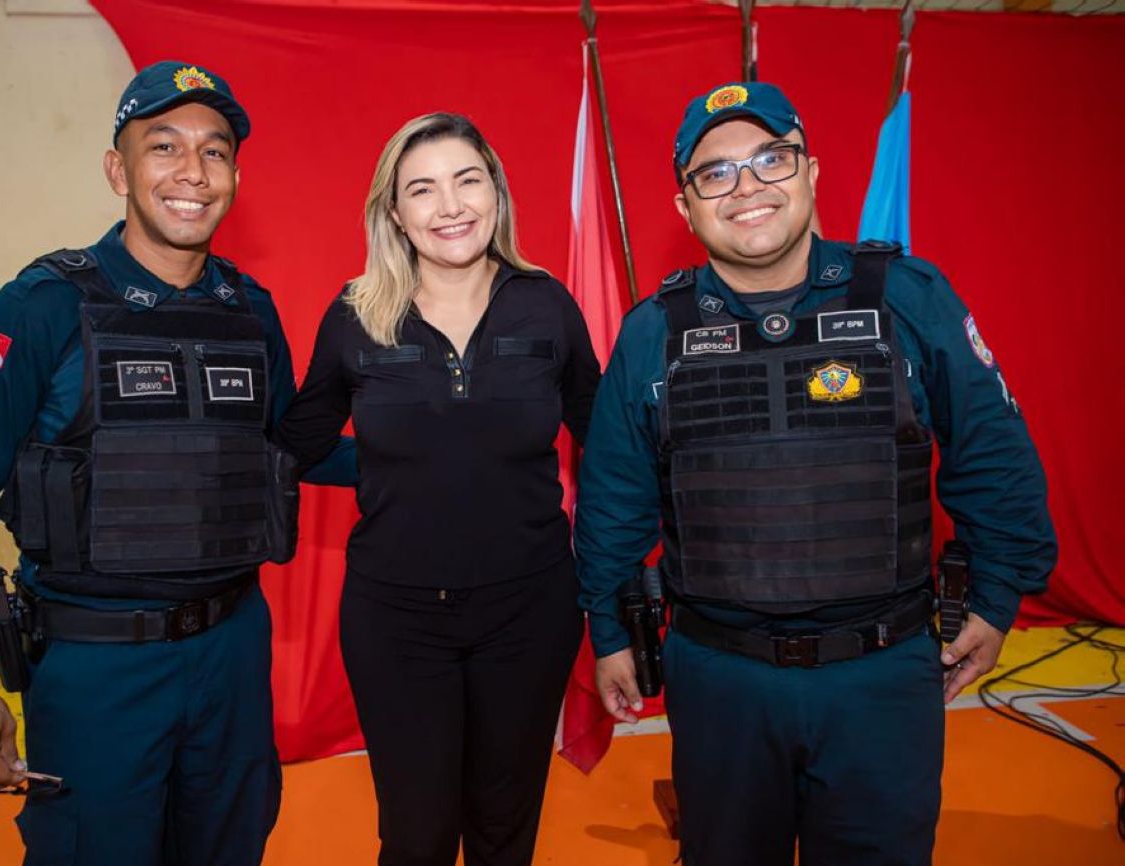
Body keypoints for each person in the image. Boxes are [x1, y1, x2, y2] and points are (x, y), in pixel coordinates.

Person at [575, 81, 1056, 866]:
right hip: (721, 683)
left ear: (811, 172)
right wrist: (608, 630)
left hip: (883, 677)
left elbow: (994, 457)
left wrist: (998, 597)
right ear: (686, 207)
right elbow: (611, 502)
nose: (747, 187)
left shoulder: (909, 299)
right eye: (716, 173)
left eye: (772, 159)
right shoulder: (650, 334)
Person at [0, 60, 353, 866]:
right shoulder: (40, 307)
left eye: (215, 152)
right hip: (94, 668)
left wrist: (439, 453)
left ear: (235, 177)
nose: (193, 172)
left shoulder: (250, 311)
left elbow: (292, 448)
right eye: (164, 146)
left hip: (231, 653)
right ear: (119, 170)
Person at [275, 112, 600, 866]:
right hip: (396, 620)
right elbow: (298, 445)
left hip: (530, 611)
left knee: (503, 830)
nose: (449, 206)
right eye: (422, 189)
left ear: (496, 192)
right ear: (394, 212)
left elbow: (607, 440)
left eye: (467, 180)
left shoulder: (547, 305)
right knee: (416, 837)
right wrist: (394, 466)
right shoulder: (356, 315)